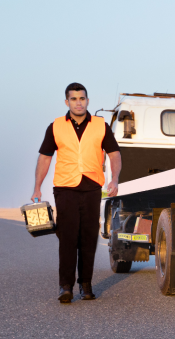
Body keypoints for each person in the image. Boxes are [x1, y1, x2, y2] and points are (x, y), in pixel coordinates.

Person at [32, 83, 122, 303]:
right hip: (65, 188)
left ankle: (86, 285)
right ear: (67, 102)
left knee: (89, 238)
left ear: (88, 101)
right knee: (68, 237)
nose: (78, 102)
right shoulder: (55, 126)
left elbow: (114, 154)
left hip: (91, 188)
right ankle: (65, 287)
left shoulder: (100, 125)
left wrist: (115, 179)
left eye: (82, 98)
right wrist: (37, 186)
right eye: (73, 99)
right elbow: (45, 157)